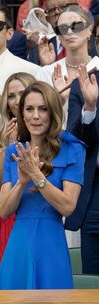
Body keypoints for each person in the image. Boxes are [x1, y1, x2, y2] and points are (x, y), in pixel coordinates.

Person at [0, 81, 85, 289]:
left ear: (53, 112)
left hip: (51, 241)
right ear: (22, 114)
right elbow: (4, 211)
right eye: (29, 109)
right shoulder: (12, 152)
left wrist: (36, 175)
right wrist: (22, 182)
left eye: (43, 109)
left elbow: (67, 206)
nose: (36, 116)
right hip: (20, 242)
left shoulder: (73, 149)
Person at [0, 72, 36, 289]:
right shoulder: (3, 133)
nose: (16, 101)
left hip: (35, 218)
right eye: (11, 96)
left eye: (22, 94)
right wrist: (7, 148)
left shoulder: (47, 132)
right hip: (7, 220)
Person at [36, 5, 98, 122]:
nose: (69, 32)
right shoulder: (45, 73)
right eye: (63, 29)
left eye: (77, 26)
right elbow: (38, 117)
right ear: (59, 36)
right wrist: (59, 101)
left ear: (89, 30)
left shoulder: (97, 66)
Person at [65, 61, 99, 274]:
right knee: (93, 277)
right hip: (94, 189)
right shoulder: (85, 83)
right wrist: (90, 108)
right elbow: (75, 139)